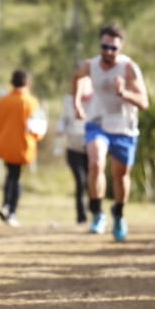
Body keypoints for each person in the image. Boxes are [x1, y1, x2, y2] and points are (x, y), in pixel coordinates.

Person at [73, 24, 149, 242]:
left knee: (120, 174)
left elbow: (144, 102)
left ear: (120, 48)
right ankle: (97, 213)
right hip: (97, 121)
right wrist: (77, 102)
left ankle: (119, 213)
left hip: (124, 127)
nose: (108, 51)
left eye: (113, 48)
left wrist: (123, 92)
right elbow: (76, 77)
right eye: (104, 46)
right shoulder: (90, 65)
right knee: (95, 162)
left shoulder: (129, 69)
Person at [0, 70, 41, 227]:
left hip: (5, 144)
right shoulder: (31, 102)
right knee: (16, 177)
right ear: (27, 83)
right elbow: (38, 127)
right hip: (23, 146)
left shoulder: (3, 100)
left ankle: (6, 205)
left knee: (11, 175)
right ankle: (10, 209)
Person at [57, 76, 92, 225]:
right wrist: (60, 131)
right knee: (80, 180)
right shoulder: (68, 101)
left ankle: (94, 208)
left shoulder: (97, 101)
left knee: (91, 181)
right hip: (73, 147)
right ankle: (81, 215)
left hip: (92, 147)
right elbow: (63, 119)